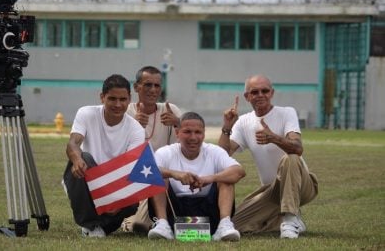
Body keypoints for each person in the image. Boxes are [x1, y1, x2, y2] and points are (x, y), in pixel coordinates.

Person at [218, 74, 318, 239]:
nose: (260, 95)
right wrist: (227, 126)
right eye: (254, 92)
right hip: (271, 191)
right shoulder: (244, 122)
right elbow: (222, 155)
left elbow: (298, 149)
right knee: (235, 225)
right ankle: (282, 221)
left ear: (272, 93)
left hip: (302, 186)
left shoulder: (287, 113)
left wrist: (273, 138)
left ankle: (290, 219)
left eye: (265, 91)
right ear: (247, 96)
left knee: (290, 157)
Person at [63, 74, 145, 238]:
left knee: (132, 202)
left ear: (130, 99)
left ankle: (98, 228)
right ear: (102, 97)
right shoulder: (86, 113)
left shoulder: (136, 130)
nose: (118, 104)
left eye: (123, 99)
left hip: (115, 183)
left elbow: (131, 169)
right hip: (86, 178)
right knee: (84, 157)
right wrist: (76, 159)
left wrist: (118, 199)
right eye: (112, 99)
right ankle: (91, 225)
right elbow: (73, 143)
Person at [148, 112, 246, 241]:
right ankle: (162, 225)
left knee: (225, 177)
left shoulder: (214, 151)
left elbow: (239, 171)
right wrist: (174, 174)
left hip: (208, 208)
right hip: (174, 208)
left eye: (198, 132)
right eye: (187, 132)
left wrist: (209, 179)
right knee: (159, 176)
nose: (193, 137)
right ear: (177, 133)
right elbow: (150, 171)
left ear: (204, 134)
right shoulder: (166, 152)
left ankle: (224, 225)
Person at [122, 65, 182, 233]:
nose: (153, 90)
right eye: (148, 85)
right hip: (136, 178)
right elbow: (117, 152)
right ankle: (127, 218)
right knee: (138, 226)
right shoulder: (126, 112)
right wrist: (132, 126)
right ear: (136, 87)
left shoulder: (170, 110)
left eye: (157, 85)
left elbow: (188, 146)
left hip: (165, 179)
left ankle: (161, 220)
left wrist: (178, 124)